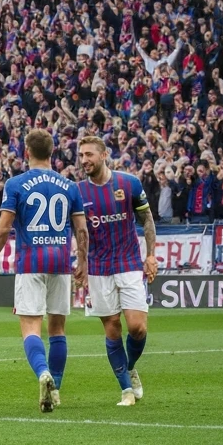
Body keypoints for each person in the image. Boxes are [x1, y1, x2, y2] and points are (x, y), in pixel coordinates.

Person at [0, 129, 89, 413]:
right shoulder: (70, 186)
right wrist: (83, 263)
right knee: (58, 328)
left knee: (31, 327)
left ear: (27, 153)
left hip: (30, 262)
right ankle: (56, 388)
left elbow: (4, 227)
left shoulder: (16, 184)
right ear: (52, 152)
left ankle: (43, 373)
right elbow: (81, 229)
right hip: (60, 262)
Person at [76, 133, 158, 407]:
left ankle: (130, 366)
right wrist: (82, 264)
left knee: (137, 327)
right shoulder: (78, 191)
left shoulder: (129, 183)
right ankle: (125, 390)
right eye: (81, 155)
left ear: (103, 155)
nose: (84, 160)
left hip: (129, 263)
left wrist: (151, 255)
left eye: (89, 154)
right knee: (112, 328)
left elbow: (147, 219)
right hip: (99, 268)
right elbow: (79, 232)